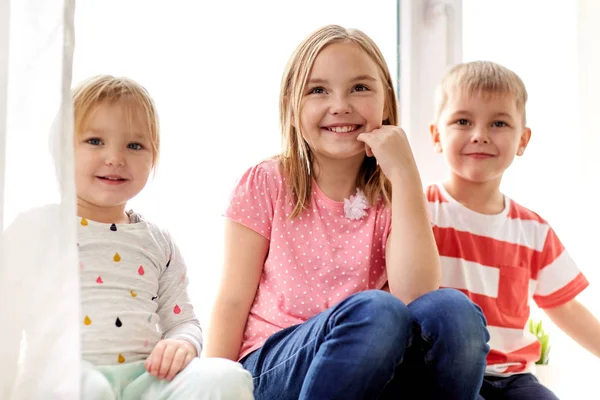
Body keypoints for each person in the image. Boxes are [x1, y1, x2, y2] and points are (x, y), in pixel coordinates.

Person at [205, 25, 490, 400]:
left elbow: (417, 295)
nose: (340, 104)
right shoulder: (267, 182)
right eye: (318, 90)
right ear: (292, 106)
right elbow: (232, 300)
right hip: (275, 366)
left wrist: (404, 174)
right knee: (377, 310)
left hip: (371, 367)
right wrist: (209, 388)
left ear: (386, 102)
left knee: (453, 310)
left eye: (359, 88)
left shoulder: (395, 197)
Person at [72, 75, 254, 399]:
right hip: (71, 377)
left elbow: (183, 321)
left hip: (145, 381)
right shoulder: (40, 229)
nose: (115, 157)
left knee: (228, 377)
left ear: (153, 157)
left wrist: (181, 343)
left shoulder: (157, 242)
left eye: (135, 145)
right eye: (95, 141)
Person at [427, 60, 600, 399]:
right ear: (436, 135)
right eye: (463, 121)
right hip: (442, 374)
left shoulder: (534, 231)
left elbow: (565, 308)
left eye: (499, 123)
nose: (480, 134)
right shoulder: (420, 211)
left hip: (512, 379)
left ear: (522, 140)